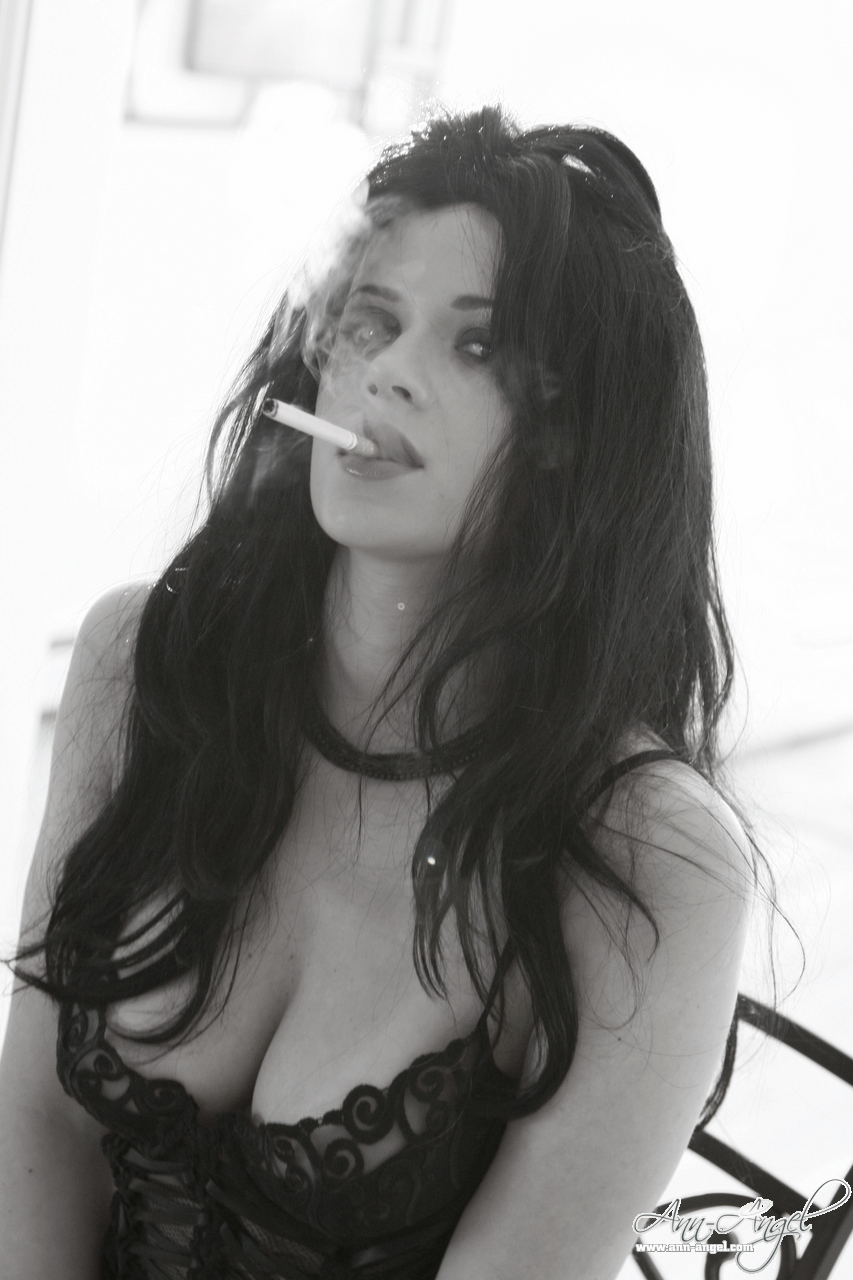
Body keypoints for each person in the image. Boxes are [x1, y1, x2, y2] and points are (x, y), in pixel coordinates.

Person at [0, 106, 754, 1279]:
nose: (387, 372)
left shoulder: (650, 857)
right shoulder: (145, 662)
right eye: (371, 321)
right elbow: (37, 1124)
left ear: (570, 431)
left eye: (474, 345)